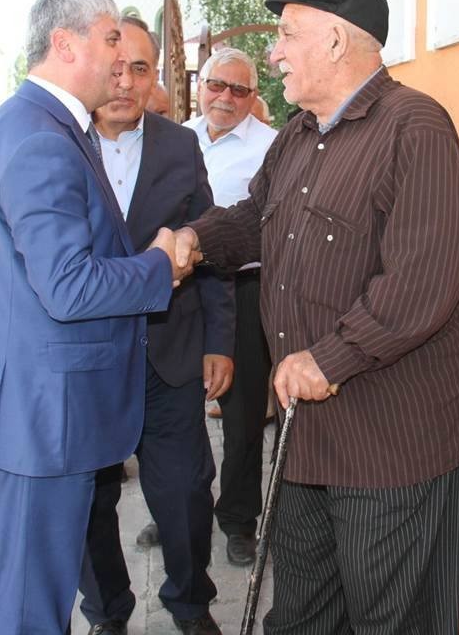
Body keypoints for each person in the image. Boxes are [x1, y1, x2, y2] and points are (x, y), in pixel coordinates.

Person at [175, 0, 459, 634]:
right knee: (300, 615)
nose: (275, 55)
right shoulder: (297, 135)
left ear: (338, 41)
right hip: (307, 436)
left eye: (287, 35)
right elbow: (255, 217)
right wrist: (196, 240)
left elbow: (421, 282)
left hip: (392, 439)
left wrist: (330, 358)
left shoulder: (416, 126)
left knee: (392, 620)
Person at [0, 0, 186, 634]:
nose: (121, 57)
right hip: (43, 418)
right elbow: (68, 286)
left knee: (39, 596)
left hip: (41, 412)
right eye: (110, 39)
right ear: (65, 44)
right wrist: (160, 264)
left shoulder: (43, 125)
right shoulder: (40, 136)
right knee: (34, 608)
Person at [78, 18, 232, 635]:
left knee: (187, 492)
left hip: (168, 355)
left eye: (139, 69)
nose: (125, 82)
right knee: (89, 499)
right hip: (86, 361)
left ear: (155, 79)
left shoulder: (179, 146)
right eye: (115, 68)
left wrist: (219, 342)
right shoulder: (61, 141)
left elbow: (210, 244)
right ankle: (107, 612)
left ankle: (190, 605)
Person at [183, 49, 276, 568]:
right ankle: (179, 506)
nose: (225, 97)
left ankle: (239, 519)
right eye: (217, 85)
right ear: (200, 86)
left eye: (239, 90)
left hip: (243, 290)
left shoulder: (272, 148)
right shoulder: (176, 140)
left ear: (253, 97)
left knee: (242, 415)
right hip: (179, 290)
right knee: (176, 408)